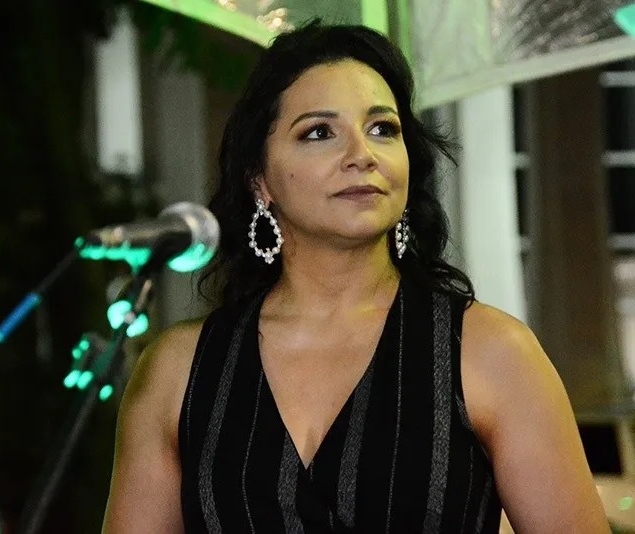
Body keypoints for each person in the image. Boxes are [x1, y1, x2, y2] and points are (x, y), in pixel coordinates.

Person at [102, 20, 609, 533]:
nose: (362, 155)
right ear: (259, 179)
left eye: (383, 129)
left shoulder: (492, 353)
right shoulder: (178, 371)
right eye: (319, 133)